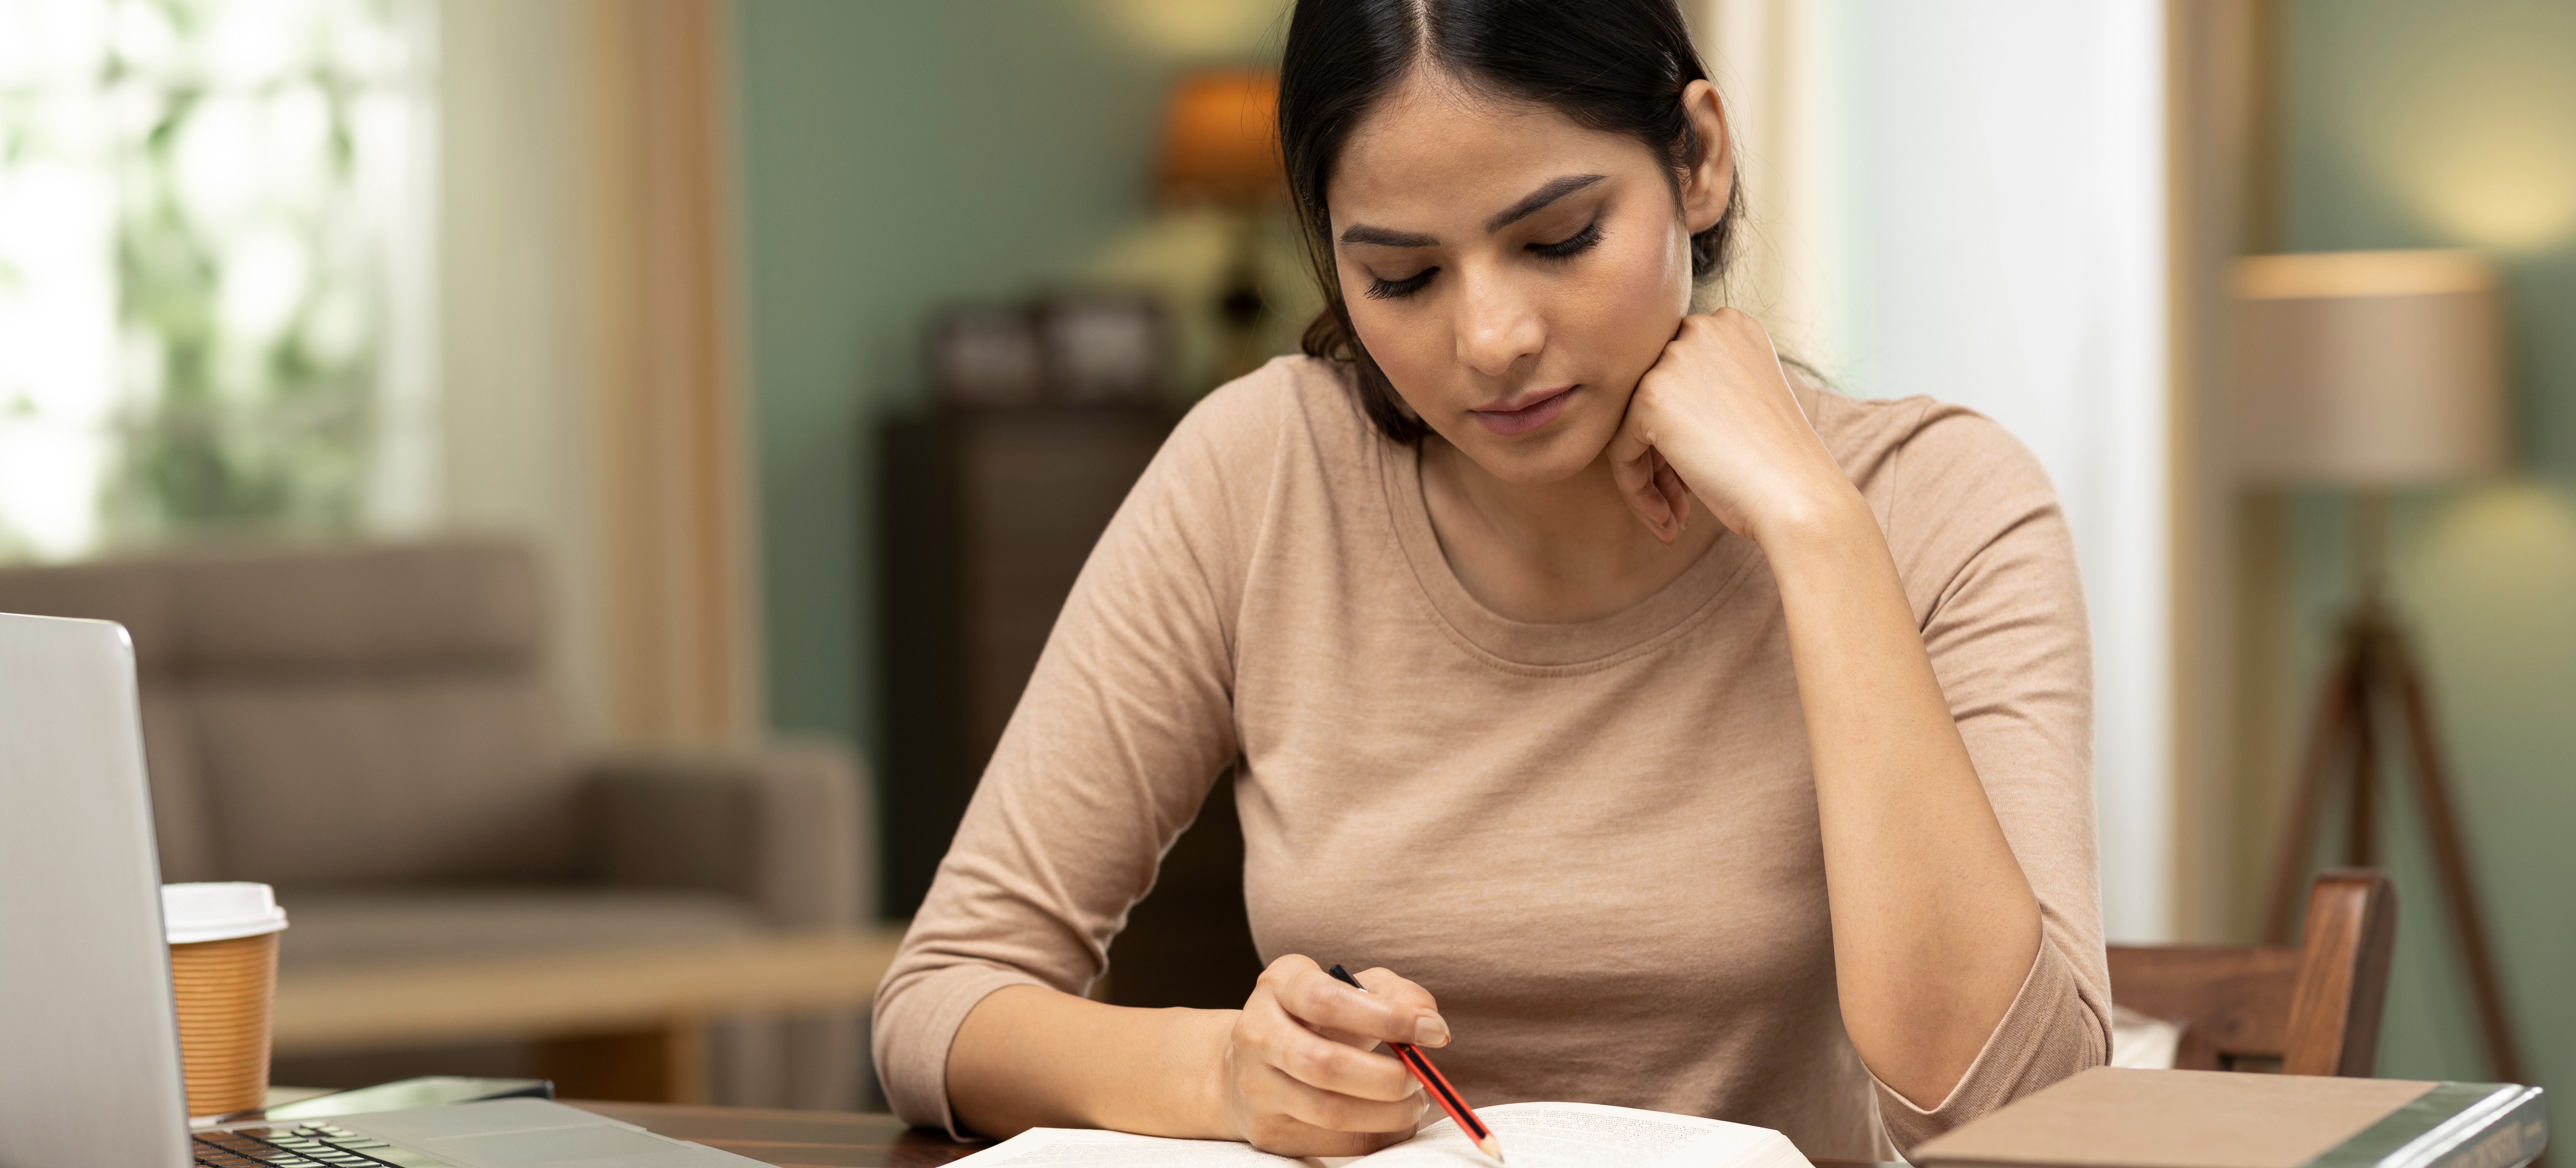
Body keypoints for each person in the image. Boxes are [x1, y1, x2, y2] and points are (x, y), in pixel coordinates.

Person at [871, 0, 2109, 1160]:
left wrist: (1815, 531)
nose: (1491, 340)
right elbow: (941, 1002)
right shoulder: (1262, 474)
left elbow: (2029, 1120)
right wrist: (1231, 1078)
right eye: (1402, 279)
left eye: (1560, 238)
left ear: (1698, 157)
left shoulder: (1942, 503)